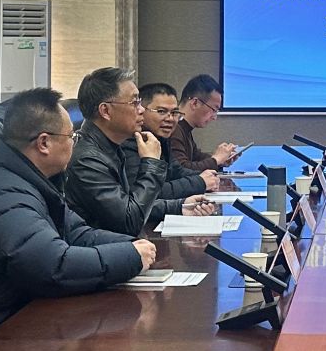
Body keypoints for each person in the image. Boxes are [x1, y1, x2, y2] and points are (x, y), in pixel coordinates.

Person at [0, 87, 155, 342]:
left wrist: (132, 245)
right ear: (44, 143)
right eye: (72, 136)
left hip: (8, 324)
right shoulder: (0, 195)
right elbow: (54, 267)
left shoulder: (25, 178)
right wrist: (130, 257)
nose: (74, 143)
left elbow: (76, 233)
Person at [65, 66, 217, 234]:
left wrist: (179, 206)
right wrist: (151, 163)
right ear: (105, 111)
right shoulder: (87, 160)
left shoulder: (110, 146)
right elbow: (130, 220)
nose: (142, 109)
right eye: (135, 102)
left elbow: (127, 203)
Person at [140, 81, 227, 208]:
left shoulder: (162, 138)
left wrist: (207, 176)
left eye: (175, 113)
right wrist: (201, 180)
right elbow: (149, 193)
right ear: (140, 111)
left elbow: (177, 170)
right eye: (161, 111)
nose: (170, 119)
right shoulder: (135, 141)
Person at [168, 73, 241, 173]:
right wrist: (216, 160)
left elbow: (195, 157)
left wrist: (221, 159)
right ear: (195, 103)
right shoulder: (172, 128)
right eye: (213, 109)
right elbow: (181, 169)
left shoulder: (184, 127)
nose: (214, 117)